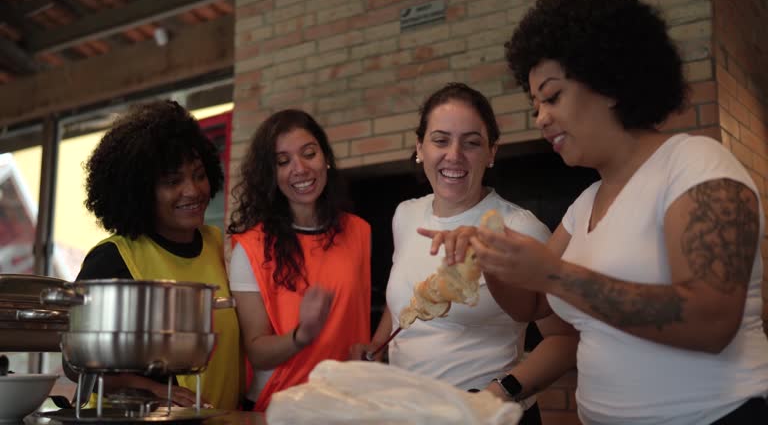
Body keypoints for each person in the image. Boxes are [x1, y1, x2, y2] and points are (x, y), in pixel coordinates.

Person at [449, 0, 768, 424]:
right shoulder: (585, 204)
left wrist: (552, 272)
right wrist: (489, 259)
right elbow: (533, 307)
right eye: (535, 105)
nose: (541, 118)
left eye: (553, 96)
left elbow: (710, 321)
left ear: (610, 82)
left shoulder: (695, 164)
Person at [356, 83, 578, 425]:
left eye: (471, 143)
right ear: (420, 148)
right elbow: (403, 294)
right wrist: (377, 343)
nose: (454, 155)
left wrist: (499, 393)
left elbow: (564, 339)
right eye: (441, 140)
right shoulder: (405, 215)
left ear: (491, 153)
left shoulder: (519, 228)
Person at [76, 100, 242, 410]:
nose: (192, 191)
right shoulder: (113, 258)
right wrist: (151, 389)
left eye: (198, 175)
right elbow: (76, 366)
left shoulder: (217, 244)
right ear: (139, 191)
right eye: (172, 182)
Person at [227, 109, 371, 412]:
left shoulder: (359, 232)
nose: (301, 168)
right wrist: (301, 336)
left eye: (309, 153)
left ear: (326, 158)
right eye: (283, 161)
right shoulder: (251, 247)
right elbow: (257, 352)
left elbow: (358, 323)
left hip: (349, 404)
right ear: (270, 174)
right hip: (280, 405)